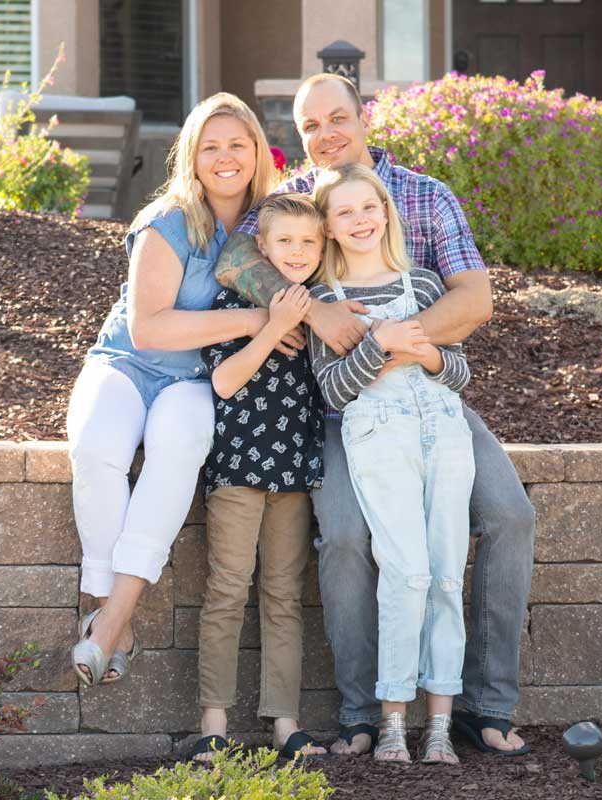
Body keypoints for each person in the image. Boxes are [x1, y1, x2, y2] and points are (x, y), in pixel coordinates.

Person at [214, 73, 536, 757]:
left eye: (338, 118)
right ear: (297, 138)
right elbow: (235, 257)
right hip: (340, 407)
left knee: (510, 514)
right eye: (310, 126)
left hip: (426, 395)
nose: (326, 134)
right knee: (346, 536)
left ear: (364, 118)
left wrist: (395, 338)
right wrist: (316, 310)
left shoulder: (423, 195)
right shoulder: (293, 201)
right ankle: (362, 715)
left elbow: (475, 298)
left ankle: (486, 707)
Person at [67, 92, 298, 688]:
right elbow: (149, 328)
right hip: (126, 362)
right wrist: (256, 323)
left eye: (237, 146)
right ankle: (109, 616)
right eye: (210, 147)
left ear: (256, 153)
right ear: (191, 157)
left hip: (197, 378)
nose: (225, 158)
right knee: (97, 448)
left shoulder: (270, 225)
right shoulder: (166, 221)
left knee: (179, 446)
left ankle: (110, 620)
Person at [307, 164, 473, 765]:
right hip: (380, 436)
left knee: (448, 571)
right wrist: (380, 346)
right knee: (405, 571)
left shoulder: (425, 285)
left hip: (444, 431)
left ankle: (439, 725)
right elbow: (332, 390)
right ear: (327, 225)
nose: (360, 220)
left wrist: (425, 352)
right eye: (344, 212)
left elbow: (459, 374)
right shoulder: (327, 303)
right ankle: (393, 721)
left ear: (386, 211)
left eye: (368, 207)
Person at [192, 193, 328, 763]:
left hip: (294, 469)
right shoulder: (236, 299)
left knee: (283, 594)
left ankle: (285, 721)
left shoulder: (326, 307)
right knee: (226, 589)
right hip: (240, 464)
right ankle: (213, 722)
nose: (297, 252)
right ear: (263, 249)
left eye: (308, 242)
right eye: (285, 242)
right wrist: (274, 327)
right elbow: (225, 382)